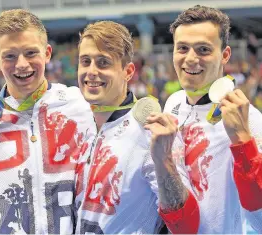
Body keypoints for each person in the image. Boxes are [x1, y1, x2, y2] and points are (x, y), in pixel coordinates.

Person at [0, 9, 96, 234]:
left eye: (31, 52)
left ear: (47, 53)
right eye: (10, 56)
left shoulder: (79, 105)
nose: (22, 64)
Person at [74, 20, 197, 234]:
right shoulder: (77, 125)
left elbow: (187, 226)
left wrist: (164, 160)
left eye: (103, 63)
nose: (91, 71)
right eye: (86, 61)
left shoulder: (151, 131)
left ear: (128, 71)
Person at [147, 5, 262, 233]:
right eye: (182, 48)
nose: (190, 59)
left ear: (225, 55)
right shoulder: (174, 102)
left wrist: (242, 142)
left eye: (203, 50)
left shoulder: (250, 121)